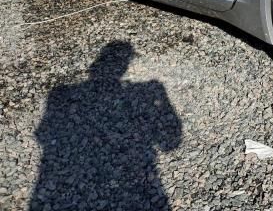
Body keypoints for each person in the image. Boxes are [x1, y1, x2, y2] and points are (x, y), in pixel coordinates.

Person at [30, 41, 182, 210]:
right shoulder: (147, 89)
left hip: (70, 177)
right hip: (138, 173)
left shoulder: (60, 93)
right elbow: (170, 143)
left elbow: (43, 134)